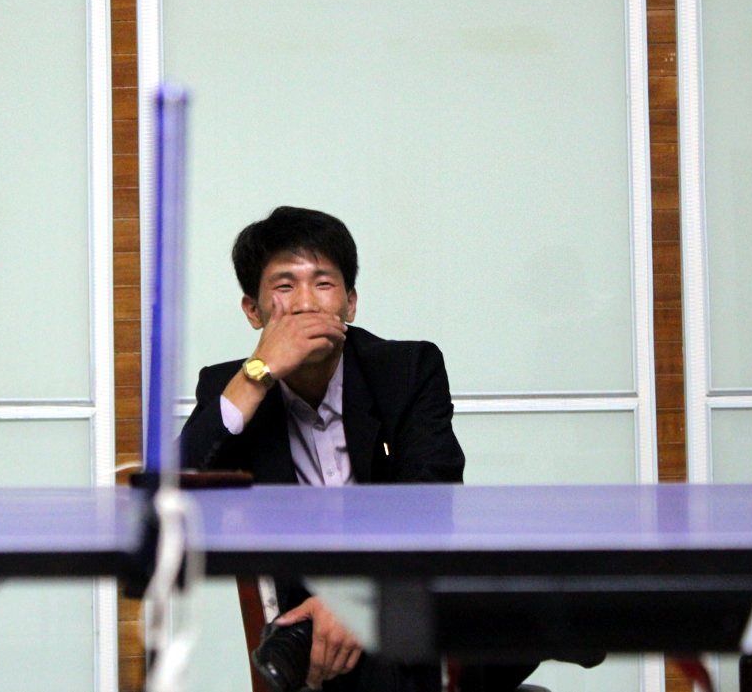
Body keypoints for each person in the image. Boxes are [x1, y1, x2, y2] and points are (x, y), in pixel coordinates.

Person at [179, 206, 533, 692]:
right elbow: (173, 489)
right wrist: (259, 371)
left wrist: (354, 598)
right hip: (304, 613)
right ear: (253, 311)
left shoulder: (406, 369)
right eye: (284, 287)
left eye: (323, 284)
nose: (306, 304)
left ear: (350, 303)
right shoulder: (230, 386)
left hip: (399, 589)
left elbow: (432, 498)